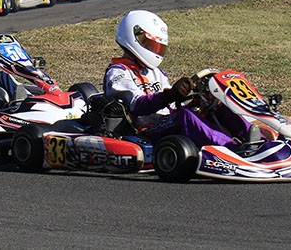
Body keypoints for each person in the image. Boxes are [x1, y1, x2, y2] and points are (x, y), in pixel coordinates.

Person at [103, 10, 252, 149]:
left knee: (219, 108)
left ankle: (256, 140)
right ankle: (232, 149)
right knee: (185, 117)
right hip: (144, 131)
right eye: (153, 46)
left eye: (159, 48)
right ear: (135, 38)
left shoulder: (154, 72)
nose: (156, 52)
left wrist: (195, 102)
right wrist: (171, 95)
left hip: (167, 122)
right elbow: (137, 106)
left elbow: (173, 106)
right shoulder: (118, 73)